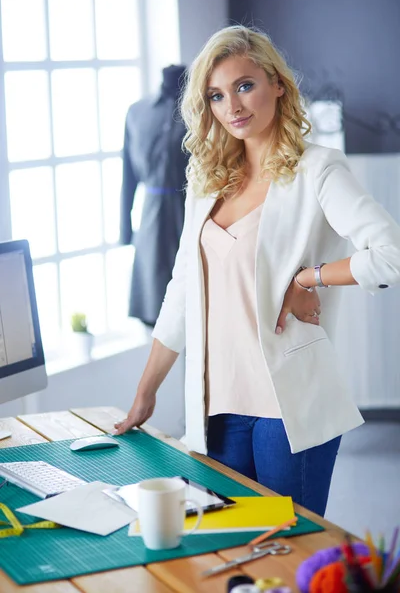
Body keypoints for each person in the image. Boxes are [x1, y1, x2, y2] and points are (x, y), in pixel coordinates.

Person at [114, 26, 400, 516]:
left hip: (286, 409)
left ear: (277, 85)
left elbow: (390, 253)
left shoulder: (319, 169)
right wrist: (145, 394)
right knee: (232, 556)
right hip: (216, 409)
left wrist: (310, 278)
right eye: (217, 95)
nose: (233, 106)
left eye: (245, 85)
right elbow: (182, 292)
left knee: (288, 552)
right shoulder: (207, 182)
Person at [120, 65, 188, 326]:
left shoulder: (201, 110)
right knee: (157, 310)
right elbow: (128, 173)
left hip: (189, 213)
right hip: (151, 221)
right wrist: (125, 230)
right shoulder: (137, 112)